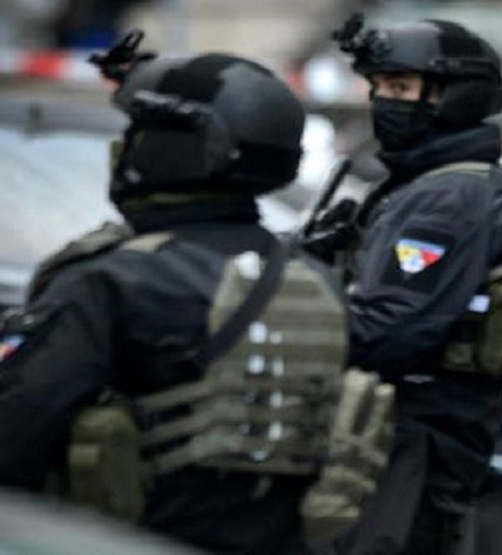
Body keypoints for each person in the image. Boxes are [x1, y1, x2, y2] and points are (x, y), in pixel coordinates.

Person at [0, 33, 393, 554]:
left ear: (178, 146)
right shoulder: (315, 280)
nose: (127, 146)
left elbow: (14, 435)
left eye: (139, 130)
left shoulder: (115, 280)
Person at [310, 14, 502, 555]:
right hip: (399, 437)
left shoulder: (449, 196)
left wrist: (300, 297)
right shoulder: (427, 185)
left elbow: (390, 329)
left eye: (400, 88)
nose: (383, 102)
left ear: (455, 95)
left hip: (412, 439)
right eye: (379, 88)